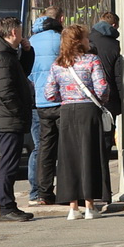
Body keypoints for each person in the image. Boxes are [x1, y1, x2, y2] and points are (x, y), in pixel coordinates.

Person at [45, 25, 112, 219]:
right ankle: (90, 205)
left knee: (69, 159)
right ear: (79, 41)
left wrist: (65, 95)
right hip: (88, 112)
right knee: (90, 156)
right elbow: (102, 89)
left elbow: (49, 94)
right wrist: (100, 100)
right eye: (85, 38)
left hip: (67, 112)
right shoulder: (92, 60)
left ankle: (72, 207)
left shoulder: (58, 64)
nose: (88, 41)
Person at [0, 17, 36, 223]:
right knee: (8, 163)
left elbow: (23, 73)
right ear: (14, 32)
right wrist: (18, 111)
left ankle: (8, 206)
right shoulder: (2, 58)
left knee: (11, 162)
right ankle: (6, 207)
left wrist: (28, 52)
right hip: (8, 119)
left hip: (9, 118)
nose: (23, 34)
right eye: (21, 31)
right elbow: (6, 92)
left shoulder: (8, 54)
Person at [27, 15, 63, 205]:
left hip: (39, 103)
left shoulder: (30, 43)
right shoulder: (61, 39)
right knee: (66, 147)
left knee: (42, 148)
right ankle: (68, 191)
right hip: (62, 101)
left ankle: (40, 192)